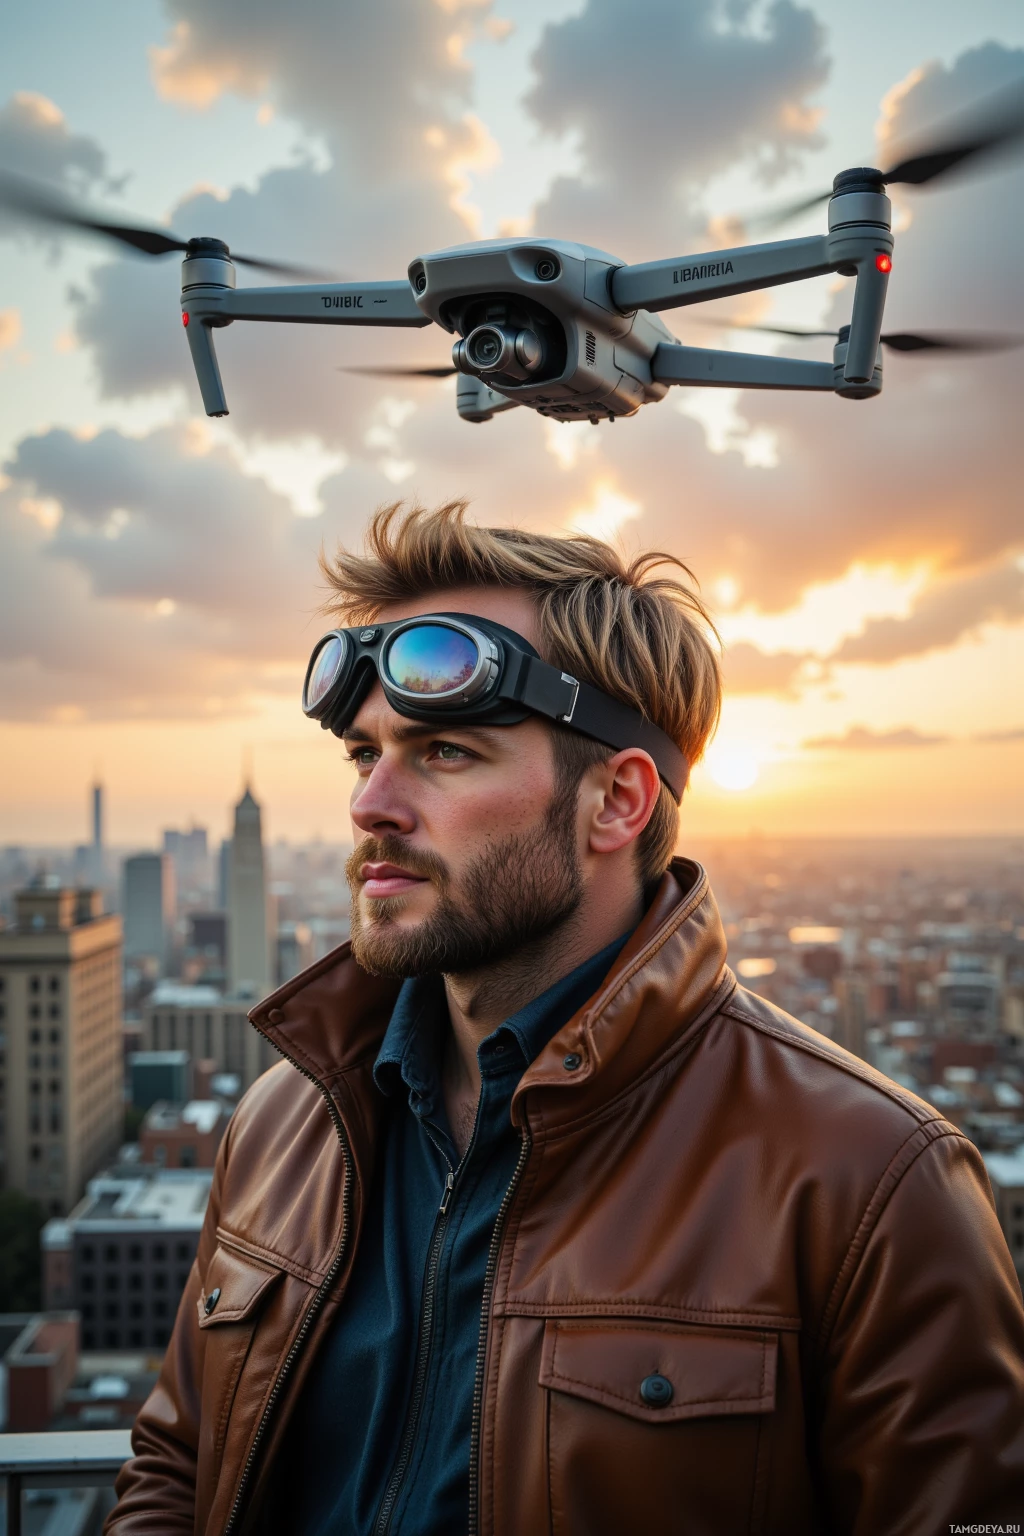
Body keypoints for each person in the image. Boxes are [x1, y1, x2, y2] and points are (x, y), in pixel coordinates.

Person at [106, 501, 1024, 1536]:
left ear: (616, 803)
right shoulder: (284, 1125)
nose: (371, 807)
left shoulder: (867, 1180)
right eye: (365, 756)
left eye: (445, 752)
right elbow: (179, 1468)